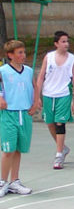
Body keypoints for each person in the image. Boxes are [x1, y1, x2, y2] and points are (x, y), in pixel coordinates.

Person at [34, 30, 74, 170]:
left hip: (64, 94)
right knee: (50, 123)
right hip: (48, 94)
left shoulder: (72, 59)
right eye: (63, 41)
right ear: (56, 43)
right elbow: (41, 77)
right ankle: (63, 148)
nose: (66, 44)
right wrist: (37, 97)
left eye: (67, 41)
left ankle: (59, 154)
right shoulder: (49, 57)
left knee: (60, 123)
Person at [0, 40, 39, 197]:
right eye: (19, 52)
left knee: (18, 149)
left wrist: (36, 103)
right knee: (8, 149)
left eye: (24, 52)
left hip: (25, 113)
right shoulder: (3, 71)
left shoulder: (28, 71)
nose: (23, 55)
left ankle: (15, 181)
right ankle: (3, 181)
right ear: (10, 55)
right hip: (9, 113)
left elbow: (35, 86)